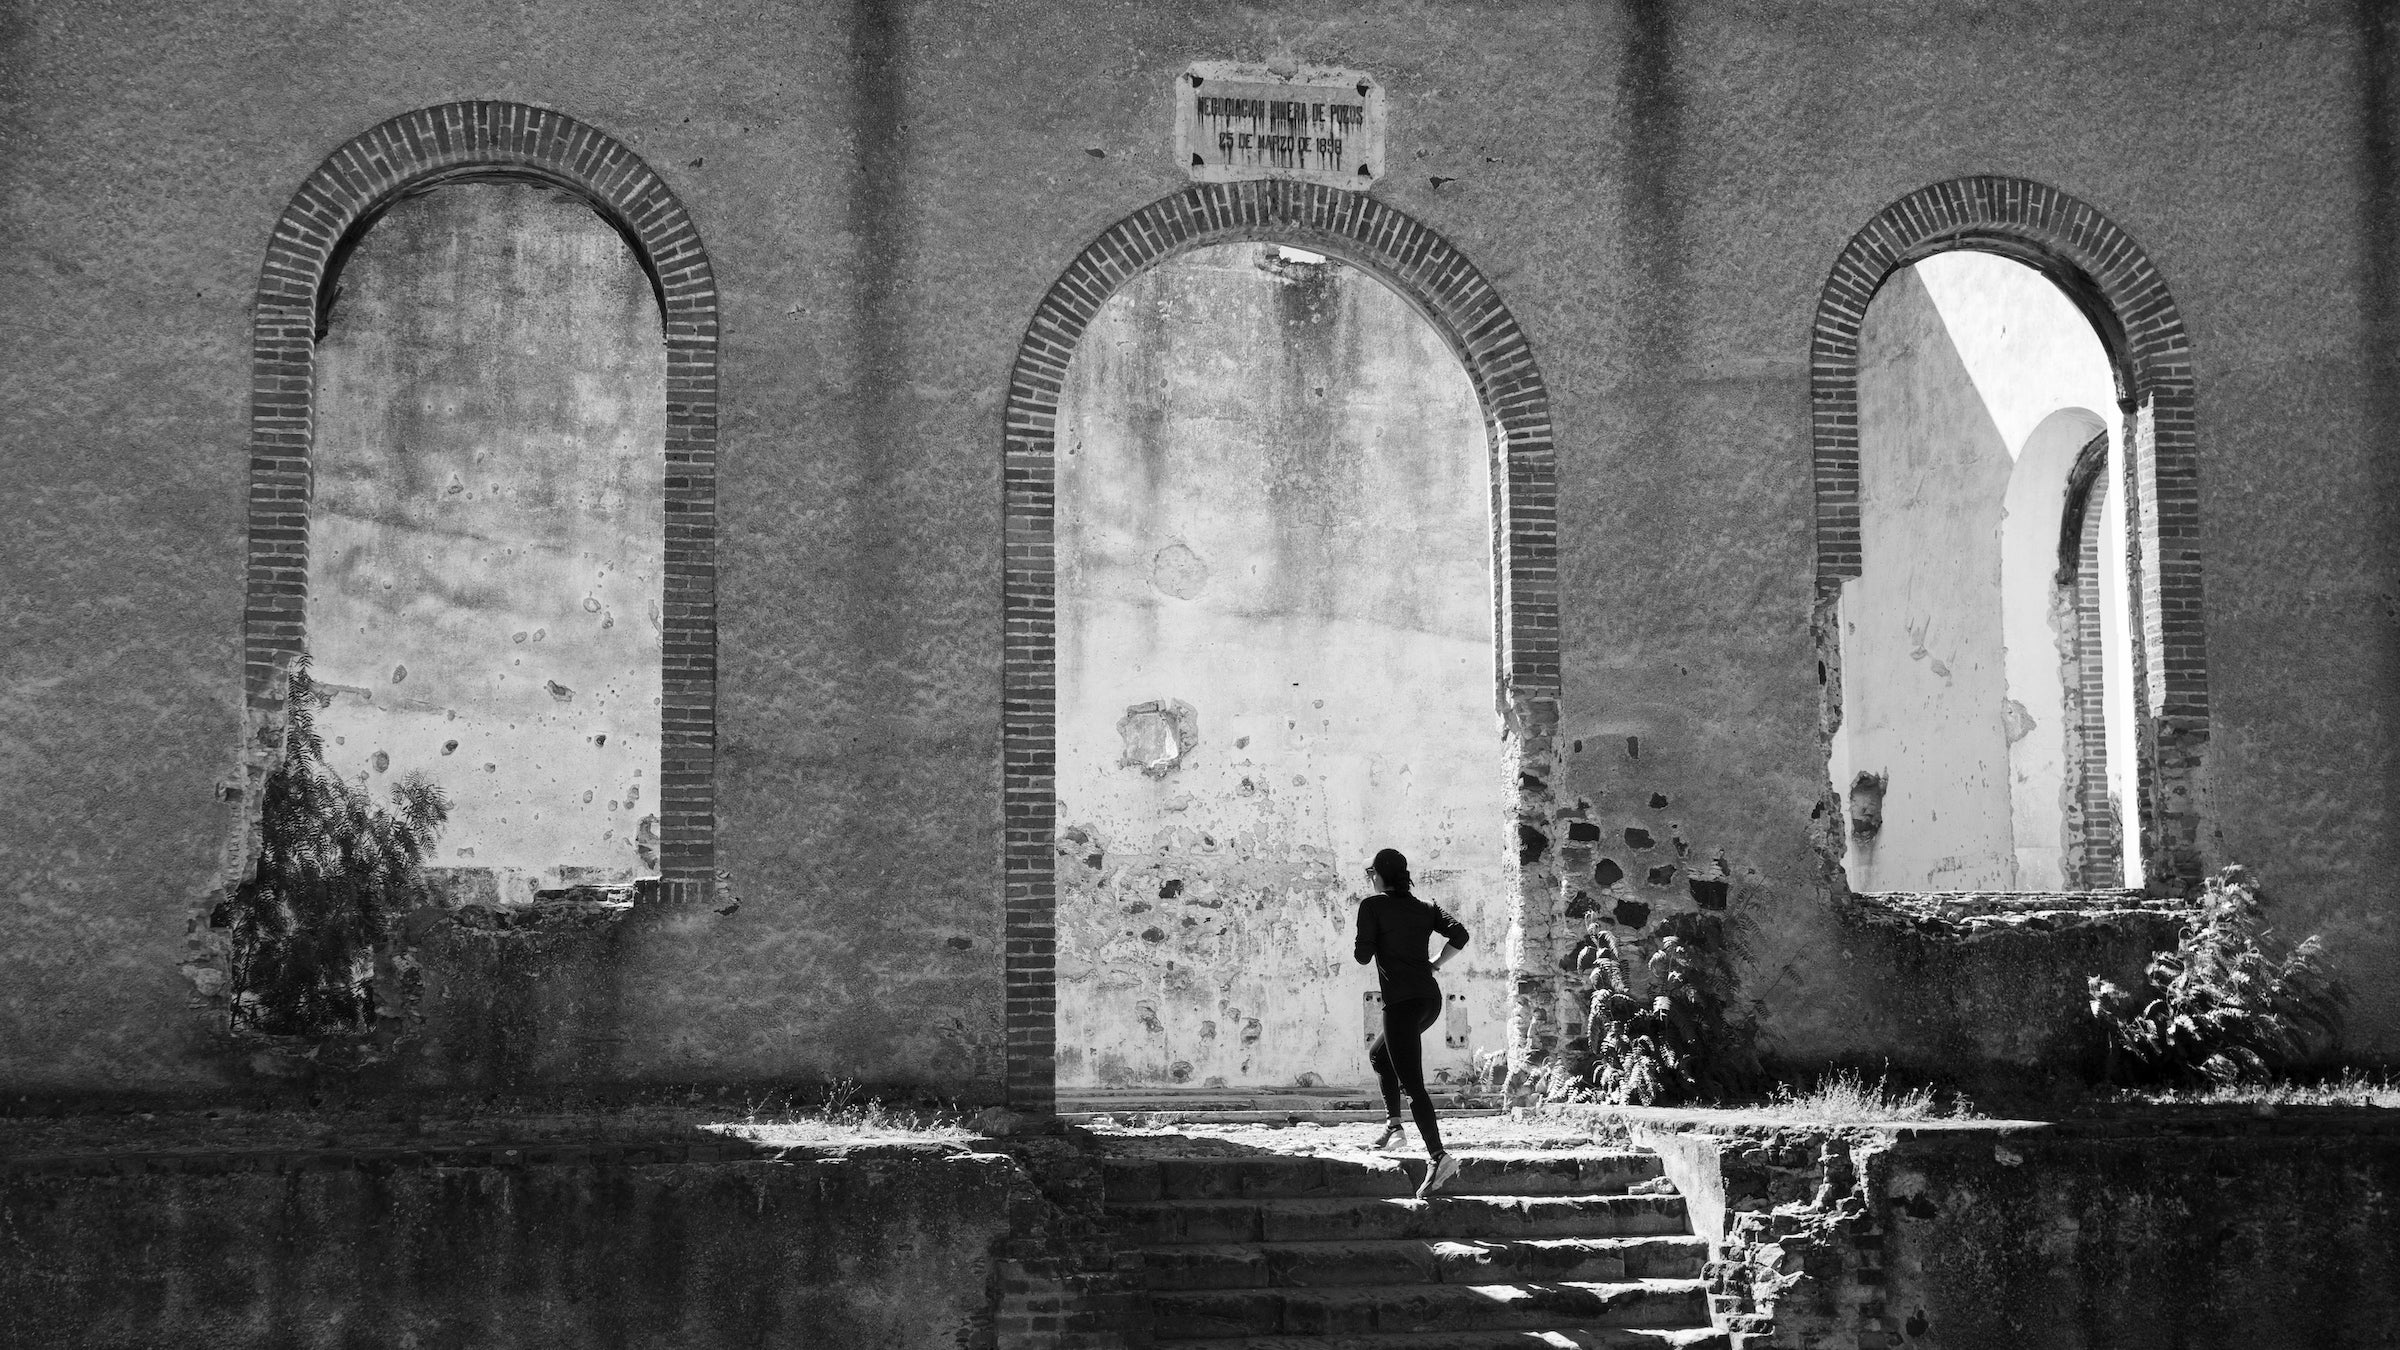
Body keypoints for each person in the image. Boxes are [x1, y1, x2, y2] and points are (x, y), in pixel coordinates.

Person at [1354, 846, 1470, 1199]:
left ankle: (1438, 1157)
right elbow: (1460, 935)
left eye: (1372, 873)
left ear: (1380, 876)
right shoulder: (1425, 907)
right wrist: (1435, 962)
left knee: (1412, 1085)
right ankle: (1394, 1126)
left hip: (1401, 1004)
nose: (1371, 879)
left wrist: (1372, 932)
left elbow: (1362, 956)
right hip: (1429, 1001)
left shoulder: (1372, 906)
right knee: (1380, 1055)